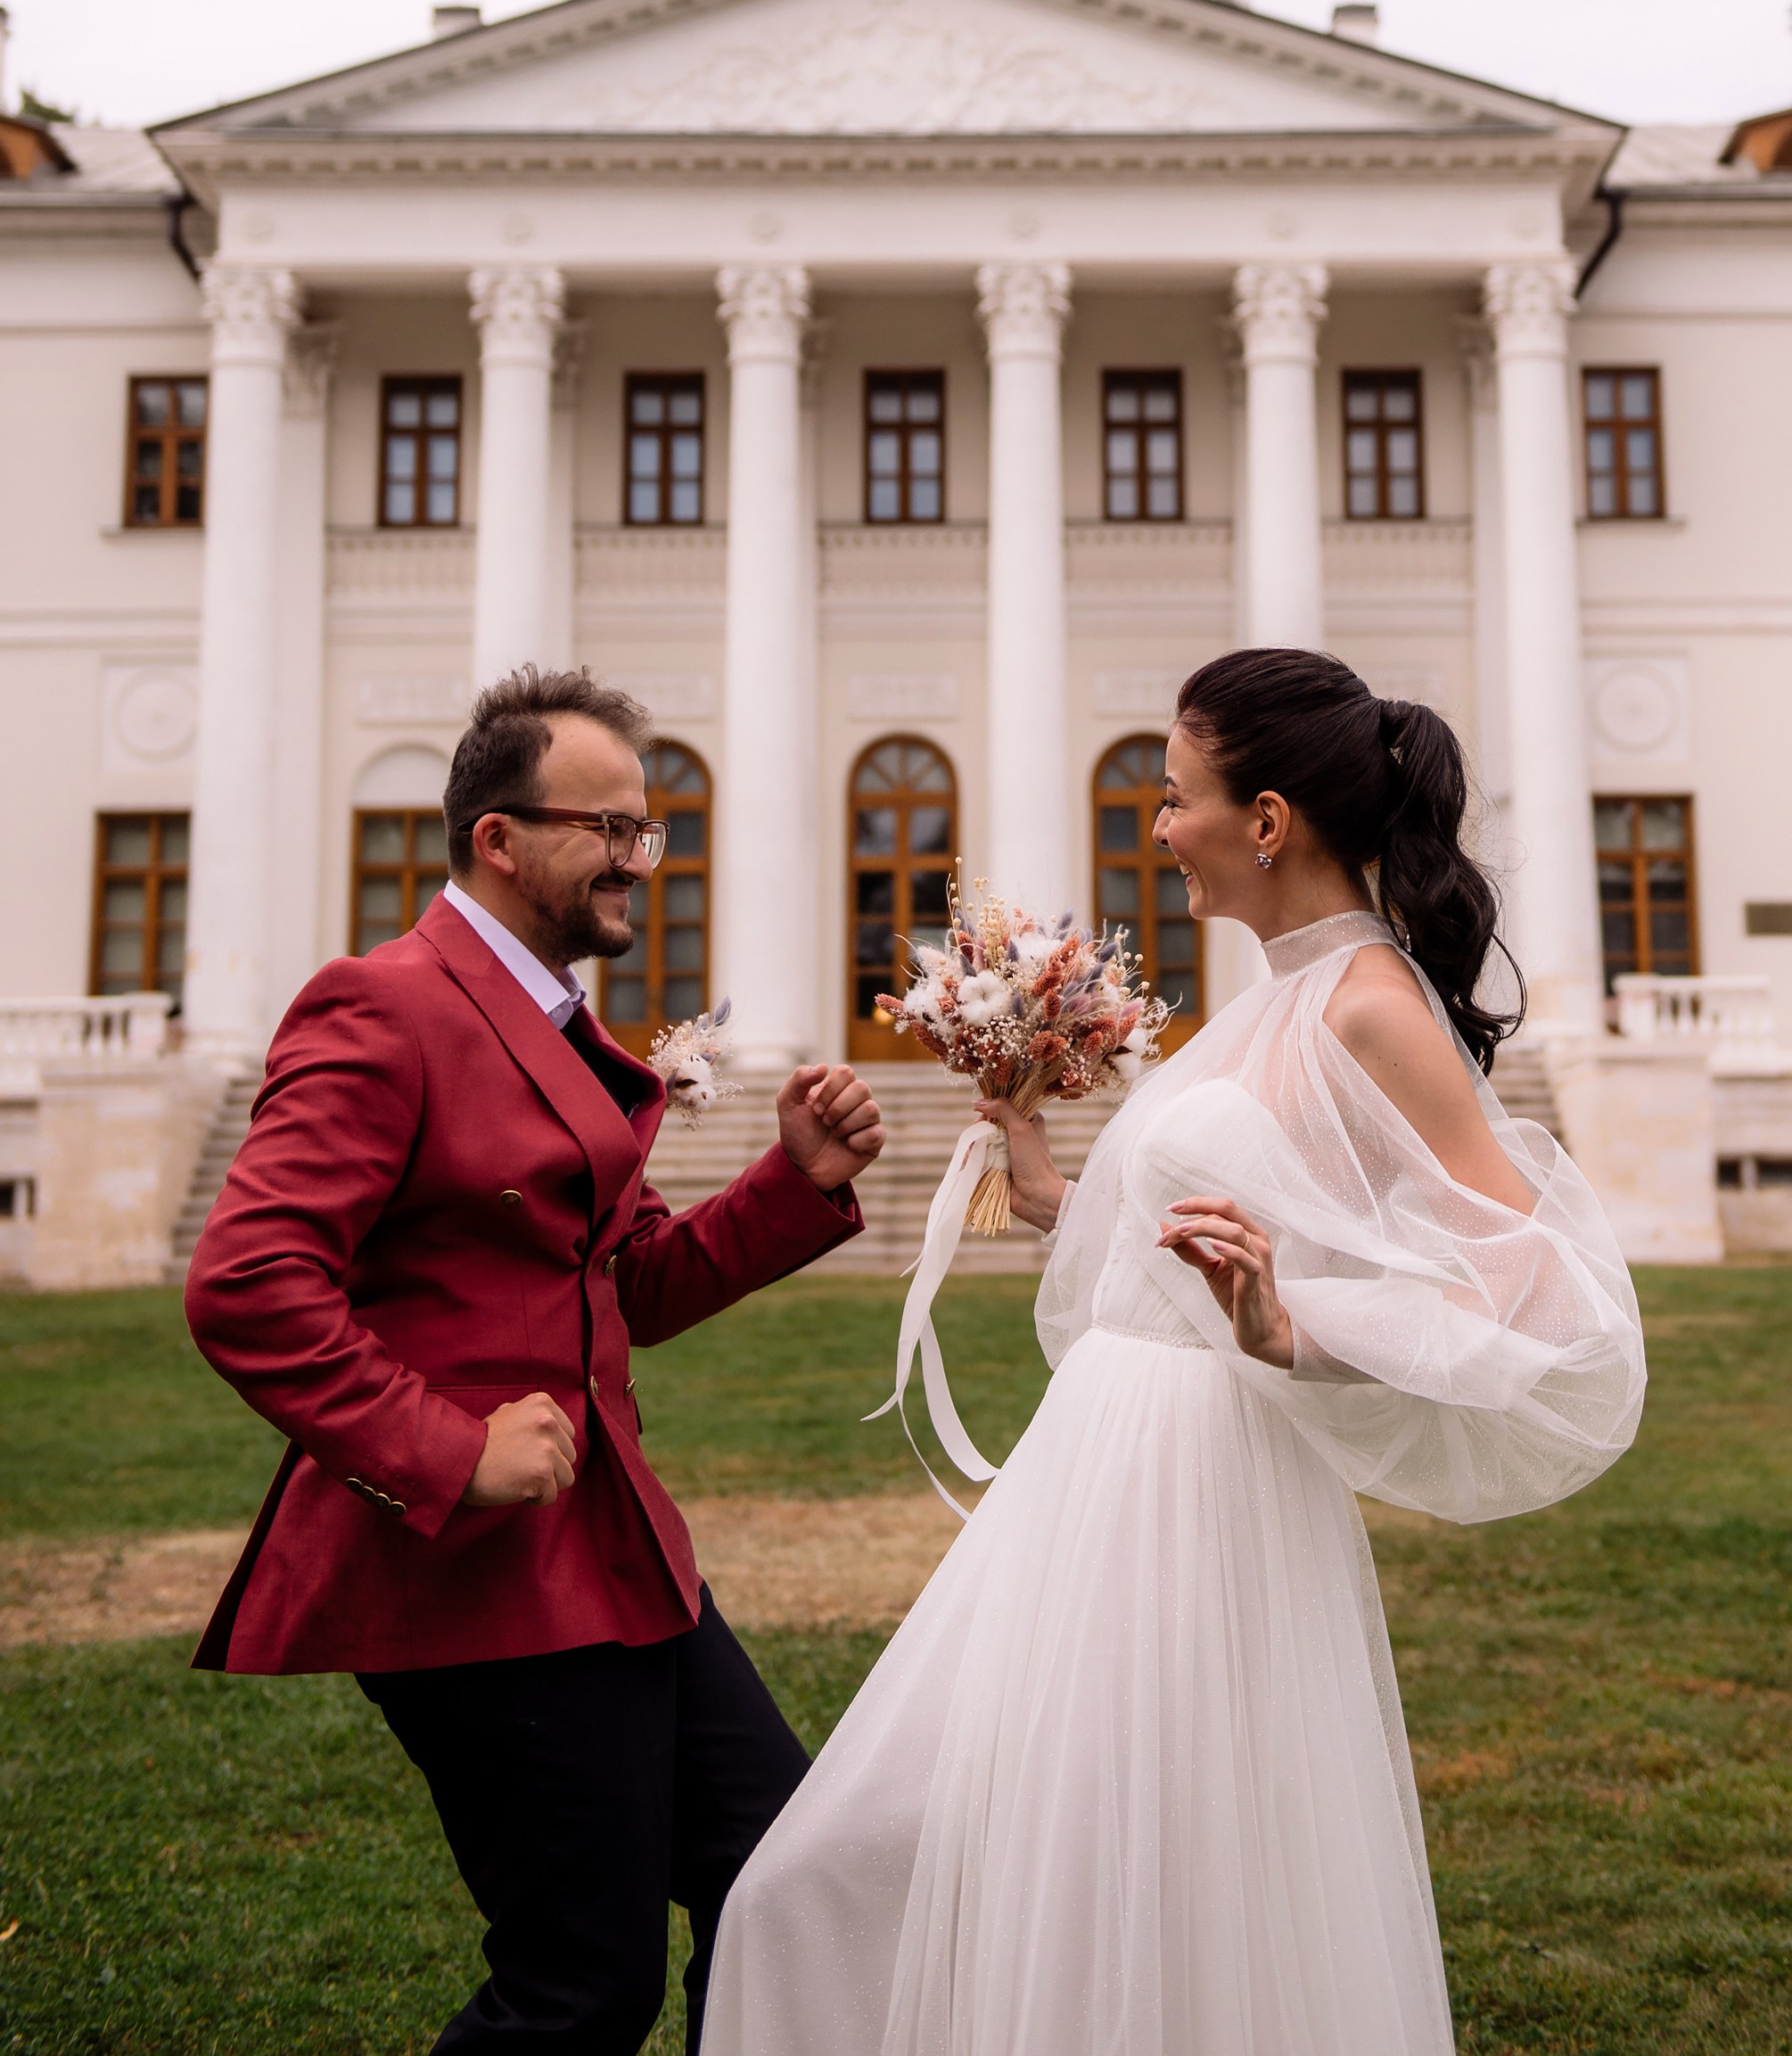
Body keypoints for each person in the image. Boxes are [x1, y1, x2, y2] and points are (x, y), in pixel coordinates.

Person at [703, 647, 1647, 2056]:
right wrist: (1037, 1171)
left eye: (1171, 795)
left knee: (1137, 1874)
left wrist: (1294, 1327)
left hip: (1204, 1499)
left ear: (1264, 822)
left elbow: (1546, 1297)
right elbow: (1171, 1262)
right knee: (898, 1862)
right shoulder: (1263, 1001)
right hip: (1095, 1478)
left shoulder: (1371, 1003)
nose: (1154, 828)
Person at [185, 665, 884, 2056]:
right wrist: (449, 1447)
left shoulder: (557, 1023)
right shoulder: (382, 1006)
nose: (639, 860)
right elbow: (247, 1282)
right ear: (495, 838)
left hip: (620, 1557)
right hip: (475, 1582)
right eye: (607, 830)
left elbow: (633, 1279)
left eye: (649, 829)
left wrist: (790, 1182)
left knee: (785, 1882)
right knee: (581, 1981)